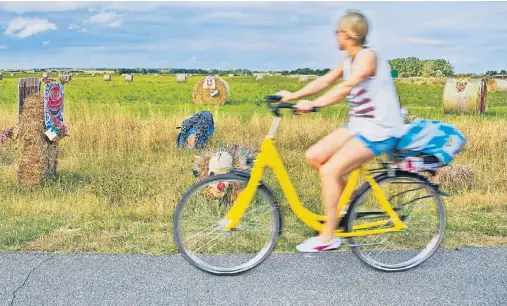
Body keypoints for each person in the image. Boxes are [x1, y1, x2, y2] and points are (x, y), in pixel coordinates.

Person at [277, 10, 404, 253]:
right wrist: (291, 96)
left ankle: (328, 237)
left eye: (339, 32)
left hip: (379, 129)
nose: (335, 36)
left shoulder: (368, 57)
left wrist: (314, 104)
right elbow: (325, 81)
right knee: (314, 156)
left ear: (350, 34)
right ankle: (350, 198)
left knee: (329, 171)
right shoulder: (347, 60)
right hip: (358, 126)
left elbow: (346, 87)